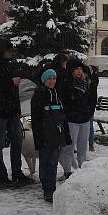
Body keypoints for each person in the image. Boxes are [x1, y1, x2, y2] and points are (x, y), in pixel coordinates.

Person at [0, 39, 30, 187]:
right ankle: (1, 175)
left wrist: (17, 110)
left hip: (12, 111)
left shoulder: (11, 65)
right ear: (0, 50)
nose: (10, 53)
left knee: (17, 141)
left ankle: (17, 172)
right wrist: (10, 82)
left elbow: (15, 87)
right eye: (8, 50)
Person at [31, 68, 72, 202]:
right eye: (49, 79)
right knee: (45, 163)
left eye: (54, 78)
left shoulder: (57, 94)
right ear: (44, 80)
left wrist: (66, 136)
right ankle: (46, 189)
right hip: (44, 136)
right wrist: (38, 138)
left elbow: (63, 117)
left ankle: (52, 189)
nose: (52, 81)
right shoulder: (39, 95)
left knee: (53, 163)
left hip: (57, 135)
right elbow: (36, 119)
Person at [61, 60, 98, 171]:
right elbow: (65, 101)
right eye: (76, 69)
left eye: (81, 69)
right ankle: (67, 171)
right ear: (71, 71)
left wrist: (89, 111)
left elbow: (92, 98)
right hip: (72, 119)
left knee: (82, 146)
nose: (79, 71)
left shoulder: (87, 83)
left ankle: (82, 169)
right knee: (69, 147)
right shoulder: (67, 84)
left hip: (85, 118)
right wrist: (70, 112)